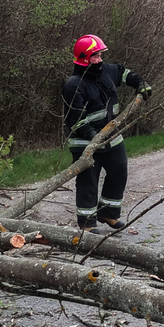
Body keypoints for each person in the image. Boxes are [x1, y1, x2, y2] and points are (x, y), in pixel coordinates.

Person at [62, 34, 152, 233]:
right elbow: (76, 120)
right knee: (88, 181)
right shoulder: (73, 85)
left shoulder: (107, 71)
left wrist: (140, 83)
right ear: (85, 58)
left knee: (119, 171)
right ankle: (87, 223)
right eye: (96, 56)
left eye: (101, 55)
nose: (100, 60)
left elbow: (124, 73)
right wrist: (95, 138)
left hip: (112, 136)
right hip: (85, 141)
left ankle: (108, 213)